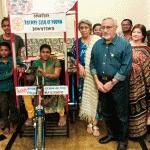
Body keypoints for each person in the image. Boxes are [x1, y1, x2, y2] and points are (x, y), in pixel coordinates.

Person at [90, 17, 132, 150]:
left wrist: (112, 82)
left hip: (118, 85)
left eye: (108, 27)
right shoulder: (97, 44)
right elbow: (92, 63)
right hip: (101, 84)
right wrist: (97, 81)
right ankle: (111, 134)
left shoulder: (124, 44)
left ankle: (123, 141)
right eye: (103, 27)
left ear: (115, 28)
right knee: (107, 113)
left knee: (121, 115)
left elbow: (126, 67)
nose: (105, 30)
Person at [71, 19, 102, 137]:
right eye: (81, 28)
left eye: (86, 28)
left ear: (90, 29)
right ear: (79, 29)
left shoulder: (97, 41)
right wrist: (80, 66)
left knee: (96, 98)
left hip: (96, 75)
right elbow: (74, 58)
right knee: (85, 97)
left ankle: (96, 123)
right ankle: (89, 122)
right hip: (83, 76)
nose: (83, 30)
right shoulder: (77, 42)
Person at [24, 44, 66, 126]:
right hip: (38, 85)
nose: (45, 54)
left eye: (47, 52)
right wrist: (22, 75)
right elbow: (32, 77)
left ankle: (62, 116)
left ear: (50, 53)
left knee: (60, 93)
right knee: (26, 94)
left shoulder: (55, 61)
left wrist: (45, 74)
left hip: (53, 85)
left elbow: (57, 75)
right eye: (43, 52)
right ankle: (31, 116)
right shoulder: (36, 63)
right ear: (40, 53)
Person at [129, 24, 150, 140]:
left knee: (138, 105)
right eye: (134, 32)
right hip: (125, 81)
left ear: (143, 35)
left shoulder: (146, 49)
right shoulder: (126, 46)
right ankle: (125, 132)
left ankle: (139, 133)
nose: (135, 34)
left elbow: (148, 68)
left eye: (138, 32)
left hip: (140, 84)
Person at [0, 42, 26, 134]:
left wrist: (20, 68)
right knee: (3, 108)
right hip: (1, 89)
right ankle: (6, 125)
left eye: (6, 50)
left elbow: (24, 66)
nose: (4, 52)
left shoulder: (13, 59)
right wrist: (10, 74)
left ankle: (11, 124)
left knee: (13, 106)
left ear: (10, 51)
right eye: (1, 50)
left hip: (12, 87)